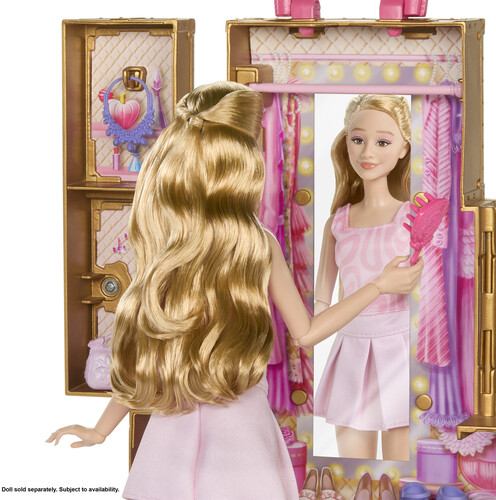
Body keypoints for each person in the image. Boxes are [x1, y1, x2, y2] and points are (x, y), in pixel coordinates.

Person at [47, 84, 422, 499]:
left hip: (177, 435)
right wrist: (378, 285)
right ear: (244, 160)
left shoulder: (172, 243)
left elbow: (146, 355)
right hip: (234, 433)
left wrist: (102, 430)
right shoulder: (254, 243)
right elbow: (306, 332)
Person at [313, 94, 414, 461]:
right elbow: (321, 303)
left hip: (400, 349)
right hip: (352, 350)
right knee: (353, 469)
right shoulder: (338, 222)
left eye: (383, 142)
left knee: (401, 467)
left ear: (403, 149)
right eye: (358, 139)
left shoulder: (411, 218)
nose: (367, 152)